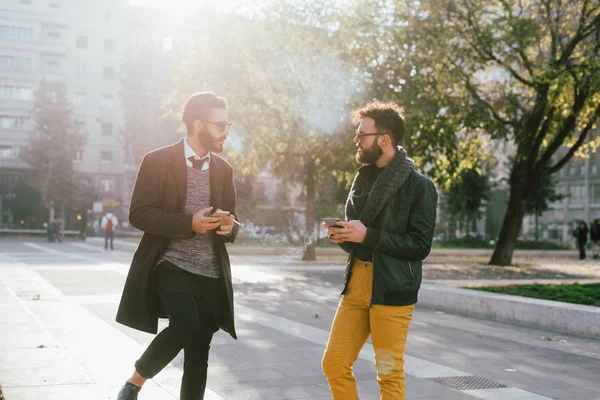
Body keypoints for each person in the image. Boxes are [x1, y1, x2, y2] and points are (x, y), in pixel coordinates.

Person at [115, 92, 239, 400]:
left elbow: (233, 220)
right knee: (185, 325)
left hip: (211, 271)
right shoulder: (156, 161)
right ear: (198, 124)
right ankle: (134, 383)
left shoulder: (224, 170)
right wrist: (188, 224)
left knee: (199, 351)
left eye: (228, 124)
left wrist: (228, 227)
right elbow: (139, 213)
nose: (226, 130)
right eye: (220, 124)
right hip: (171, 263)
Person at [321, 101, 437, 400]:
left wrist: (367, 235)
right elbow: (358, 239)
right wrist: (343, 236)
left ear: (383, 138)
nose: (356, 140)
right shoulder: (362, 178)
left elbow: (420, 246)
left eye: (362, 134)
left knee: (388, 373)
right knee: (334, 363)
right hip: (356, 285)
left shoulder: (419, 186)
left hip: (392, 288)